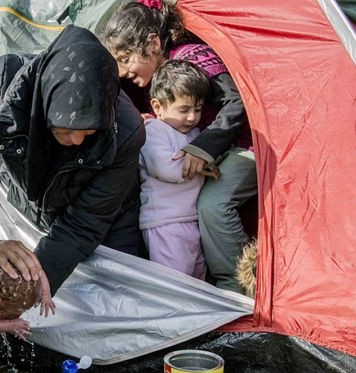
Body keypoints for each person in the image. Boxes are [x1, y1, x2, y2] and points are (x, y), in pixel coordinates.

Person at [0, 25, 147, 299]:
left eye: (88, 131)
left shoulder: (126, 130)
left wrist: (27, 289)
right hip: (25, 201)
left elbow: (83, 226)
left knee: (116, 299)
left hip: (106, 220)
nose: (76, 140)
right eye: (64, 129)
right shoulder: (6, 80)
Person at [101, 0, 257, 294]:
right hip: (199, 175)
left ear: (153, 43)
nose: (122, 71)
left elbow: (237, 102)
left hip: (244, 144)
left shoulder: (190, 59)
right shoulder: (151, 84)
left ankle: (238, 286)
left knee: (213, 204)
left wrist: (202, 147)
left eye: (125, 58)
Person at [139, 59, 212, 279]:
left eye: (198, 109)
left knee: (199, 280)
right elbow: (165, 168)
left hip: (191, 220)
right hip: (165, 222)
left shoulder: (194, 135)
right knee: (176, 285)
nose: (192, 117)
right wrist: (202, 166)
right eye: (184, 109)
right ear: (158, 107)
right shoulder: (154, 131)